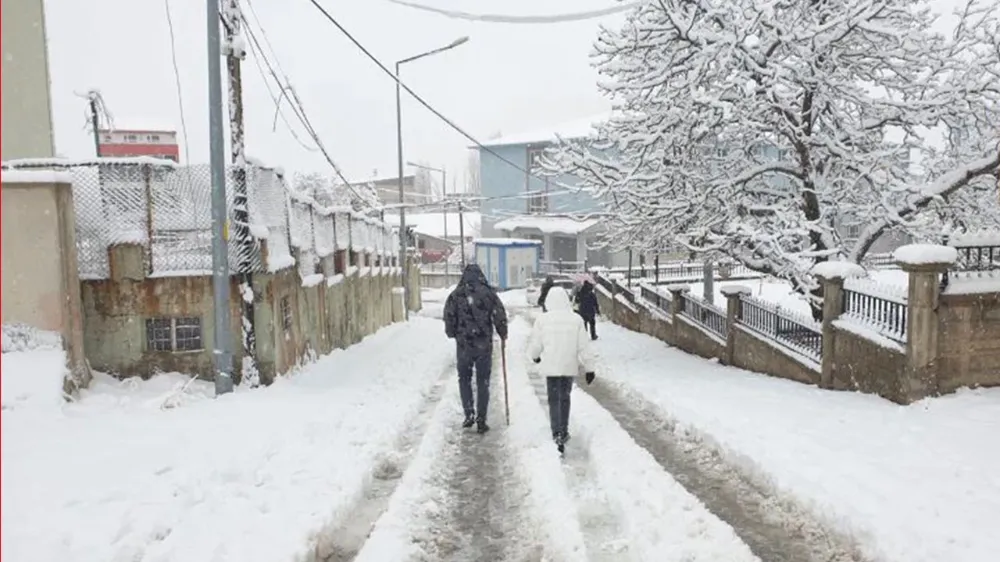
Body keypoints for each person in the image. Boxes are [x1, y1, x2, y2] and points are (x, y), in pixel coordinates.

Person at [527, 287, 596, 454]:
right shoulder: (576, 320)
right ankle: (563, 430)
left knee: (553, 399)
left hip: (551, 366)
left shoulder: (543, 320)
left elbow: (536, 344)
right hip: (568, 365)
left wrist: (535, 356)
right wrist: (589, 368)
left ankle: (556, 431)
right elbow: (584, 346)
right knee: (565, 397)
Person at [444, 263, 509, 434]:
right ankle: (481, 418)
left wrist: (452, 332)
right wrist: (502, 332)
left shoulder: (456, 295)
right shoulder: (488, 294)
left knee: (464, 379)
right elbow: (499, 314)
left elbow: (449, 316)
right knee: (483, 381)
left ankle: (469, 413)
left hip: (464, 345)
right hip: (483, 344)